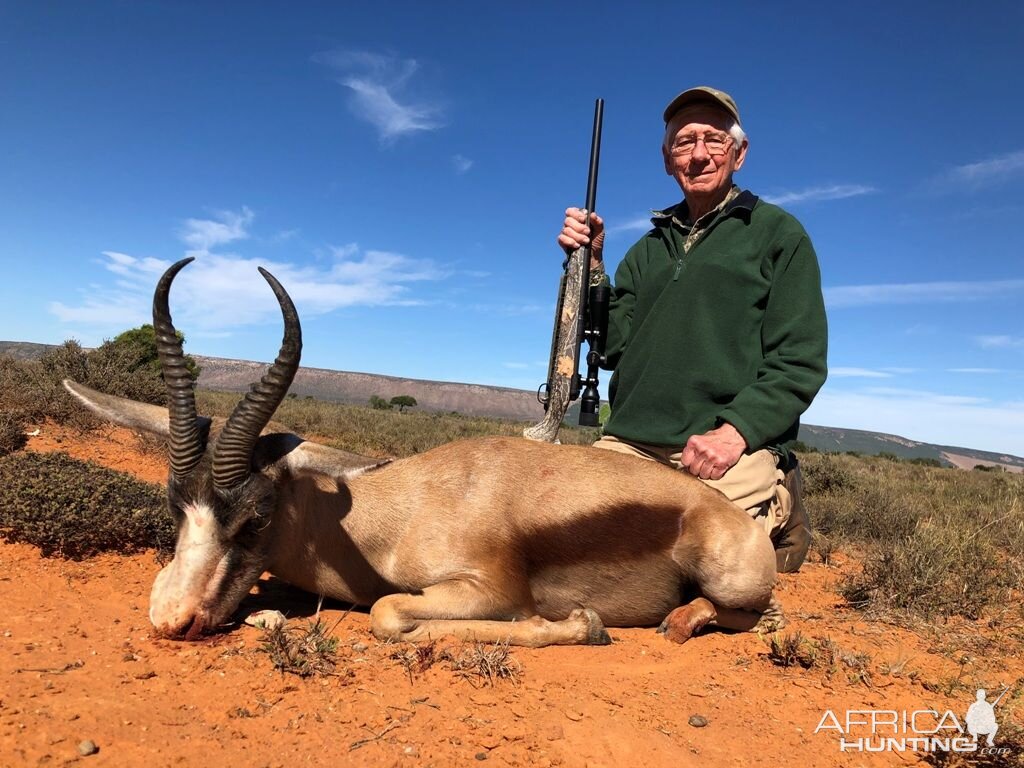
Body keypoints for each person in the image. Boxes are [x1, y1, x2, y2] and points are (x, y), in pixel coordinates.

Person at [557, 86, 828, 572]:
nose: (699, 154)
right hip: (631, 444)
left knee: (693, 563)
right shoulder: (648, 248)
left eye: (713, 139)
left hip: (720, 449)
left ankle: (779, 504)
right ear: (667, 161)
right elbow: (614, 344)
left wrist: (735, 432)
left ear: (739, 154)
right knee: (566, 548)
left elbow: (800, 361)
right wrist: (592, 263)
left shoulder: (778, 234)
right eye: (684, 143)